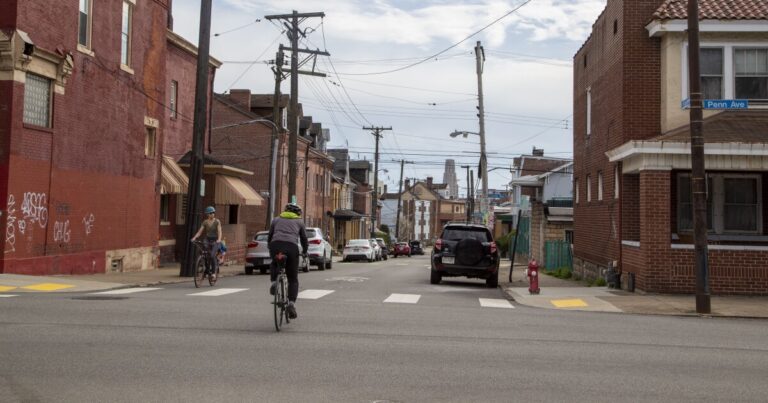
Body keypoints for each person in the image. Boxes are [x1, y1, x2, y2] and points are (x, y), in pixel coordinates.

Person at [268, 203, 308, 319]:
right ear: (297, 213)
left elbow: (270, 236)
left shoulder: (276, 219)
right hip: (291, 247)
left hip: (276, 245)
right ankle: (291, 304)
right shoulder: (300, 222)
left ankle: (274, 281)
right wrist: (305, 251)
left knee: (275, 262)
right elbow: (304, 239)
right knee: (293, 278)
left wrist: (270, 247)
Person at [191, 206, 223, 278]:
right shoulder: (205, 222)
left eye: (213, 212)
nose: (212, 214)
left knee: (212, 255)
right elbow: (200, 232)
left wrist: (219, 239)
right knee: (204, 252)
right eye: (211, 213)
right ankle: (206, 267)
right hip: (207, 239)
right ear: (207, 214)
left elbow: (219, 231)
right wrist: (194, 238)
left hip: (215, 240)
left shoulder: (217, 221)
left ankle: (213, 272)